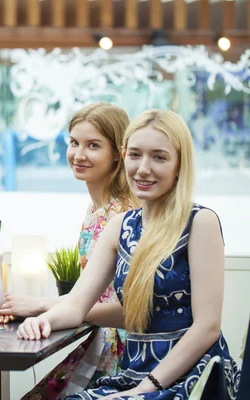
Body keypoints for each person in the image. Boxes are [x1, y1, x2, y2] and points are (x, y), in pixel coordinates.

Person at [18, 110, 241, 399]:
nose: (143, 169)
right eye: (135, 155)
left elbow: (207, 328)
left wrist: (148, 386)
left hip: (193, 378)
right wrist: (44, 319)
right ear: (123, 157)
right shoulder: (119, 226)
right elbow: (76, 304)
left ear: (179, 166)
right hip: (135, 374)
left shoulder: (200, 222)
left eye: (159, 157)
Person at [0, 102, 138, 398]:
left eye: (93, 145)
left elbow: (130, 312)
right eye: (74, 142)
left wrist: (41, 305)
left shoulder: (124, 214)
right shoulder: (96, 209)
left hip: (123, 355)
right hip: (99, 340)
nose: (79, 154)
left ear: (118, 153)